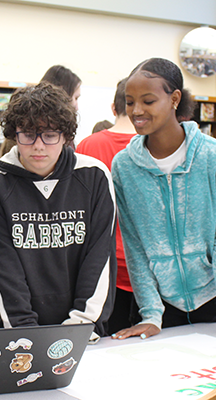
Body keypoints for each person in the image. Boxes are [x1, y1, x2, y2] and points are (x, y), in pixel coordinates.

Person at [111, 58, 216, 345]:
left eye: (148, 101)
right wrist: (150, 314)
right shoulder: (124, 166)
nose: (136, 111)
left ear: (174, 98)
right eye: (129, 102)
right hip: (159, 308)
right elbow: (135, 247)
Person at [0, 81, 116, 338]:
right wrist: (26, 335)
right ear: (13, 132)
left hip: (83, 329)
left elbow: (99, 258)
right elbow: (3, 268)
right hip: (17, 333)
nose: (39, 145)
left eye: (50, 135)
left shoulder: (94, 176)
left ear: (66, 135)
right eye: (28, 134)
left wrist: (80, 326)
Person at [76, 77, 138, 334]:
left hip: (101, 269)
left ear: (113, 108)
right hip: (151, 271)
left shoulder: (87, 146)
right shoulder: (154, 147)